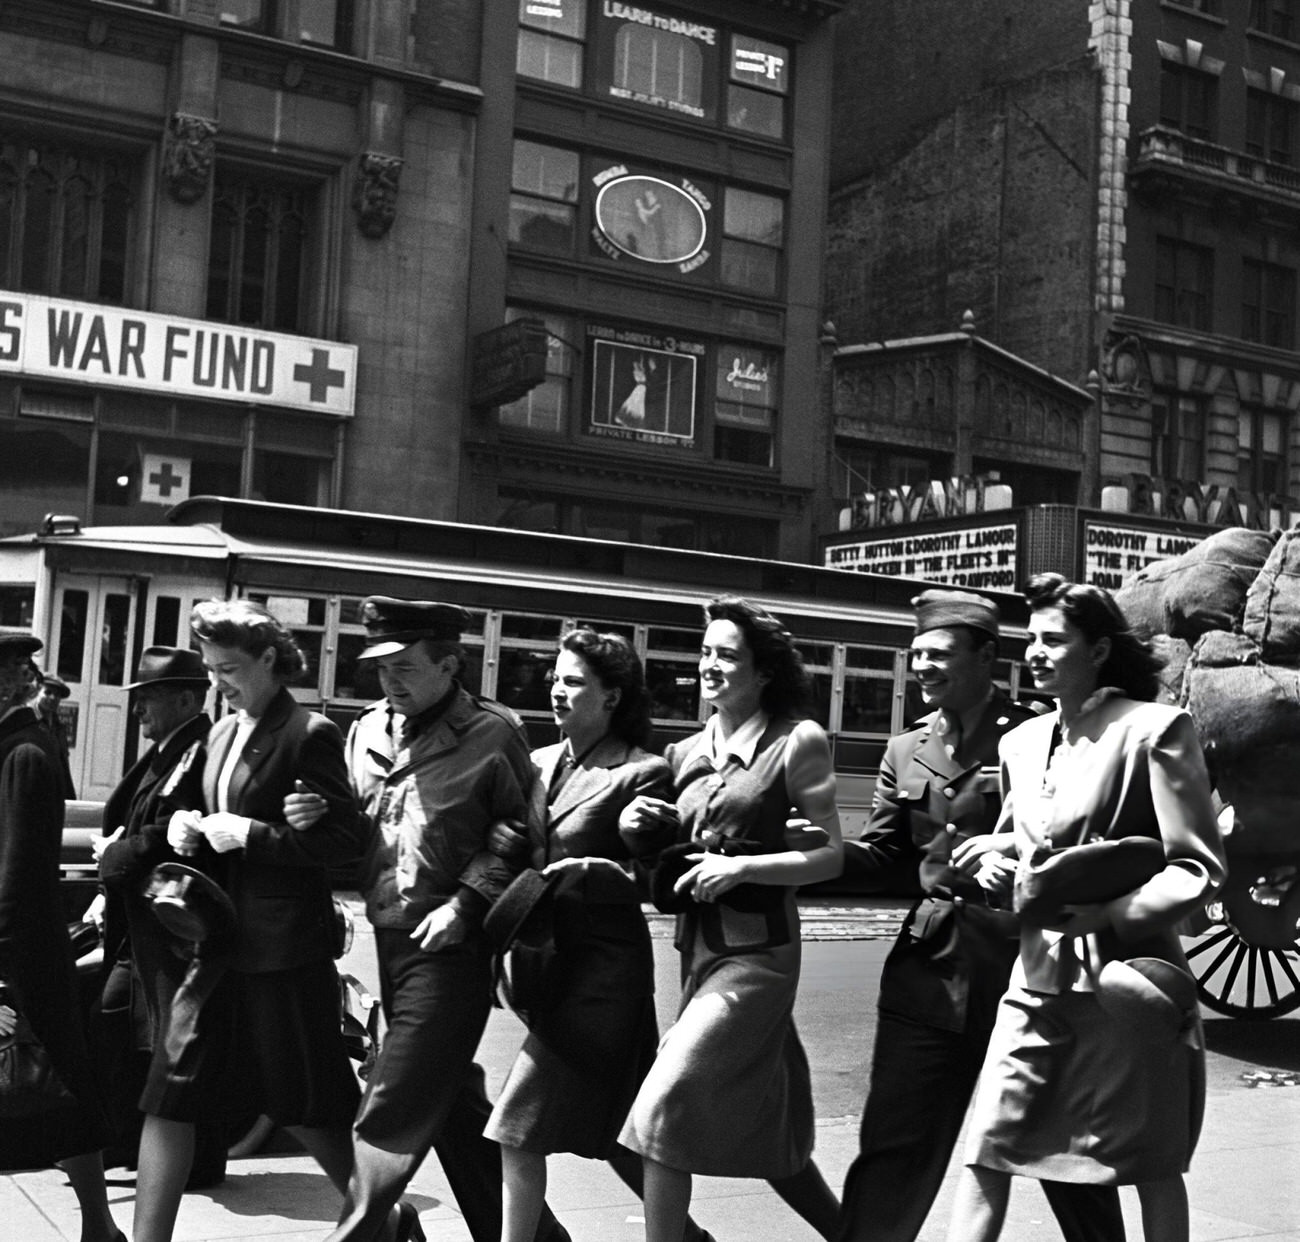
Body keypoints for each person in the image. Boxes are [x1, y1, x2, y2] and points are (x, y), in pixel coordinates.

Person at [837, 590, 1125, 1242]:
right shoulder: (906, 750)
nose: (924, 668)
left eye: (940, 655)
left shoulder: (1039, 737)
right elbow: (884, 858)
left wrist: (1024, 865)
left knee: (1065, 1155)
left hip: (1028, 968)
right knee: (894, 1150)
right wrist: (801, 856)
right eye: (917, 656)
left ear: (987, 656)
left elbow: (1082, 835)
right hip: (928, 970)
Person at [947, 574, 1226, 1242]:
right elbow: (1022, 846)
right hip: (1034, 981)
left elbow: (1198, 868)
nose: (1036, 652)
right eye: (1031, 639)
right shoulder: (1020, 742)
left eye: (1054, 640)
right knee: (987, 1148)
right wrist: (990, 862)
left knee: (1150, 1165)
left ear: (1099, 650)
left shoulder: (1155, 730)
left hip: (1128, 985)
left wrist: (1110, 915)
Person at [288, 596, 569, 1242]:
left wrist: (465, 905)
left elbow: (518, 833)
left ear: (450, 665)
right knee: (450, 1109)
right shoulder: (365, 731)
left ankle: (359, 1234)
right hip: (389, 941)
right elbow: (356, 829)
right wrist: (314, 817)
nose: (390, 681)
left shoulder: (493, 732)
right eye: (381, 667)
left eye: (407, 667)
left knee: (393, 1103)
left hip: (452, 950)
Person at [618, 595, 845, 1242]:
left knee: (663, 1105)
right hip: (695, 955)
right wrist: (640, 833)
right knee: (776, 1137)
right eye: (705, 652)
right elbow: (670, 865)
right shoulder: (684, 751)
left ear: (763, 671)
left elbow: (828, 858)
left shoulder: (796, 741)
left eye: (727, 655)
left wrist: (745, 869)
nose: (710, 666)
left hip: (760, 957)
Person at [484, 629, 714, 1242]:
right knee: (620, 1133)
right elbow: (511, 850)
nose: (558, 691)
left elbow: (657, 877)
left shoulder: (642, 772)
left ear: (612, 697)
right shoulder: (535, 764)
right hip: (547, 967)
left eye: (575, 681)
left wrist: (620, 858)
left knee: (516, 1125)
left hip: (604, 973)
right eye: (556, 679)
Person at [165, 599, 370, 1240]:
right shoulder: (220, 733)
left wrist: (254, 835)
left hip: (282, 951)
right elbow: (201, 810)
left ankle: (381, 1215)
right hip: (220, 944)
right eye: (209, 668)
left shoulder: (309, 734)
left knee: (303, 1102)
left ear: (270, 661)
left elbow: (343, 844)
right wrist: (186, 827)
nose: (216, 682)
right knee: (169, 1088)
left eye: (228, 667)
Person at [93, 646, 228, 1235]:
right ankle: (141, 1149)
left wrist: (114, 858)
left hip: (173, 932)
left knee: (172, 1056)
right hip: (142, 927)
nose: (139, 709)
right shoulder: (167, 750)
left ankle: (190, 1158)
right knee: (120, 1031)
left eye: (148, 698)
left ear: (185, 699)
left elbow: (162, 834)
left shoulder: (197, 751)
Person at [0, 628, 120, 1242]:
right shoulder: (17, 746)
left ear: (16, 678)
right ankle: (100, 1228)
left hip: (19, 957)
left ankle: (100, 1227)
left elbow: (17, 876)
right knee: (61, 1092)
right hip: (26, 954)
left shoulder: (23, 753)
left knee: (57, 1089)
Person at [31, 668, 76, 797]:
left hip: (55, 789)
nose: (52, 698)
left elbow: (63, 764)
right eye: (48, 692)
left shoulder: (58, 727)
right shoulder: (29, 722)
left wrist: (69, 795)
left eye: (57, 695)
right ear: (37, 692)